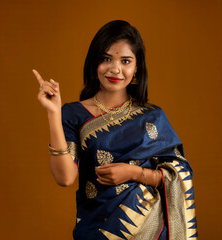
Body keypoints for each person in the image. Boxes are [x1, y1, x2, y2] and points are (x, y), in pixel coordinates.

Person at [33, 20, 198, 240]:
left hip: (147, 230)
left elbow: (178, 174)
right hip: (95, 229)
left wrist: (133, 173)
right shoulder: (73, 114)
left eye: (125, 61)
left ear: (136, 68)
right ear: (94, 63)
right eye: (106, 59)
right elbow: (65, 178)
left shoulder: (153, 117)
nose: (115, 69)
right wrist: (53, 113)